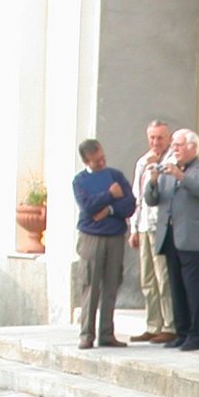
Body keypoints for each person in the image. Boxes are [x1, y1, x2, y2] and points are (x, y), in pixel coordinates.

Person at [145, 128, 199, 352]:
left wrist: (181, 177)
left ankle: (196, 336)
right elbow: (152, 200)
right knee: (175, 288)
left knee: (195, 291)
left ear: (192, 148)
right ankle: (182, 331)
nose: (174, 149)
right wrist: (154, 182)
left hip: (194, 240)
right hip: (170, 237)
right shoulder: (167, 170)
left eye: (178, 145)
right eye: (174, 145)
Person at [72, 138, 135, 349]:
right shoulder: (80, 181)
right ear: (86, 161)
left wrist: (110, 209)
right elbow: (88, 207)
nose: (101, 163)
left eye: (102, 158)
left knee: (111, 284)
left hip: (115, 235)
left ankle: (107, 332)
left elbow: (129, 204)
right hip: (91, 236)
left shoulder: (115, 176)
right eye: (95, 161)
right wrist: (109, 195)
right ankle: (86, 334)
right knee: (90, 284)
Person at [129, 120, 177, 344]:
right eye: (152, 138)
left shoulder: (172, 160)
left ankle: (169, 324)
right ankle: (152, 323)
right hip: (144, 225)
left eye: (160, 138)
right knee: (147, 277)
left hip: (162, 226)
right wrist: (134, 228)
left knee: (163, 276)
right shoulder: (142, 162)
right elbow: (137, 197)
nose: (156, 142)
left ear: (168, 138)